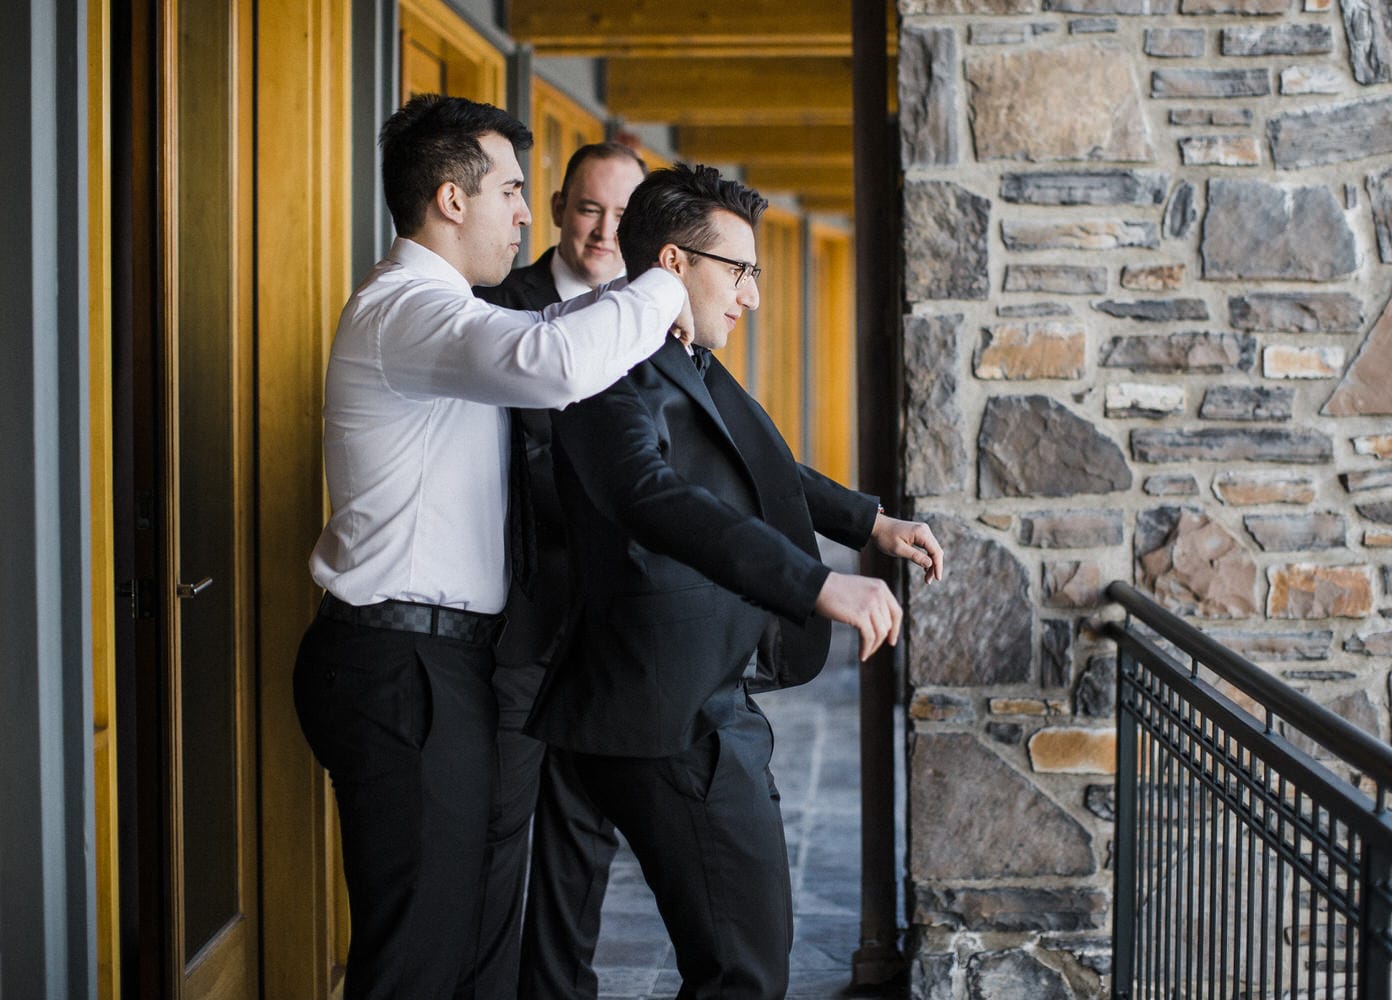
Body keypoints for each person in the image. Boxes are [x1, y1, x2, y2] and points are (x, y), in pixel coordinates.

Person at [290, 95, 693, 1000]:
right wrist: (672, 275)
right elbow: (550, 363)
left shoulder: (449, 314)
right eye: (513, 190)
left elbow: (548, 343)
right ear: (450, 199)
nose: (524, 211)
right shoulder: (407, 313)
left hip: (443, 665)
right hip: (402, 667)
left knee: (471, 944)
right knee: (415, 963)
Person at [526, 163, 944, 999]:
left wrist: (869, 525)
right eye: (740, 270)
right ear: (674, 265)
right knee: (744, 972)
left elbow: (759, 463)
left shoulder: (682, 353)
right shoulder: (610, 358)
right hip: (667, 702)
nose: (752, 295)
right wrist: (814, 583)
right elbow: (652, 495)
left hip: (664, 691)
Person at [471, 142, 648, 998]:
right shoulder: (493, 309)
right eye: (589, 209)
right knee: (498, 838)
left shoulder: (650, 320)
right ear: (554, 209)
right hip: (515, 626)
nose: (606, 230)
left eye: (624, 215)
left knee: (583, 846)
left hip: (604, 632)